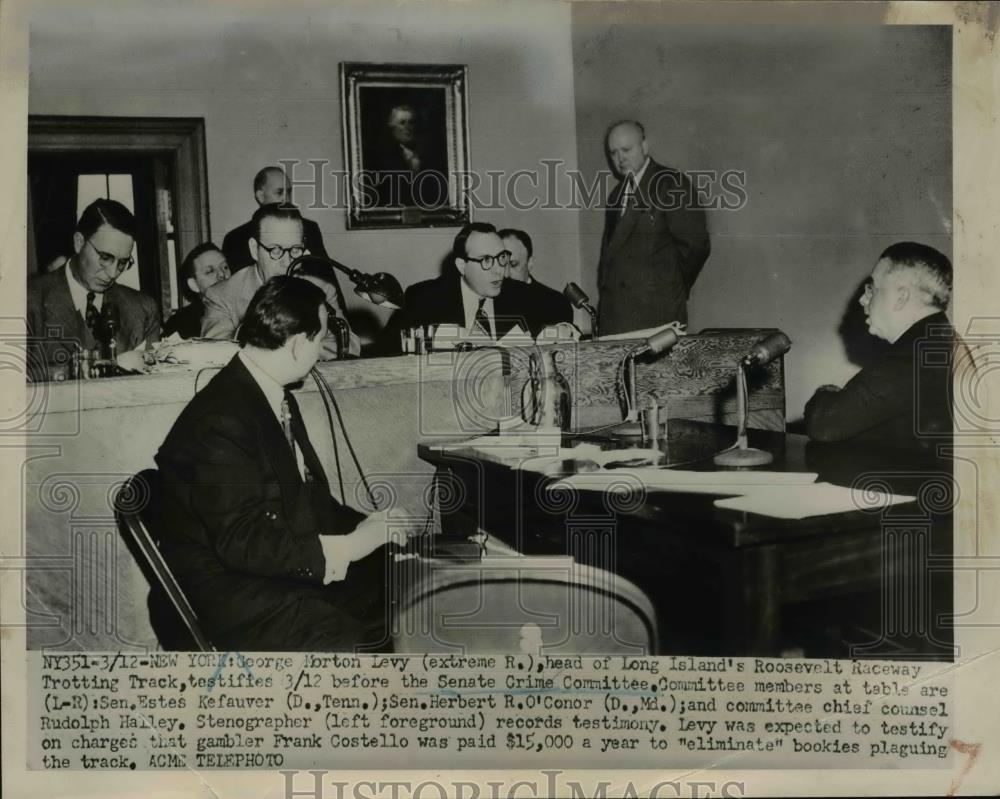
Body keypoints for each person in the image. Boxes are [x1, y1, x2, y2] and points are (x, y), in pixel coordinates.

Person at [156, 276, 406, 650]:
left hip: (262, 575)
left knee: (405, 593)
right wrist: (353, 546)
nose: (321, 352)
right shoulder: (220, 419)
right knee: (346, 636)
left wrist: (373, 529)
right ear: (295, 345)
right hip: (228, 597)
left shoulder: (269, 394)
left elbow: (310, 506)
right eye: (320, 341)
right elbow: (244, 540)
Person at [804, 242, 955, 451]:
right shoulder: (941, 342)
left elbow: (824, 424)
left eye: (872, 289)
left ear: (901, 297)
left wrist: (826, 391)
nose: (863, 299)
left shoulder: (910, 358)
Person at [597, 120, 711, 335]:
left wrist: (669, 286)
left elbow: (696, 247)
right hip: (616, 322)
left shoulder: (671, 184)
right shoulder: (616, 196)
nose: (620, 158)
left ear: (645, 147)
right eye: (613, 153)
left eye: (626, 150)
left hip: (656, 319)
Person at [27, 198, 160, 380]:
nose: (113, 273)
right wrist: (100, 367)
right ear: (79, 242)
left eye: (122, 263)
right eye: (105, 257)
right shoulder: (28, 301)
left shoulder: (144, 310)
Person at [202, 203, 360, 356]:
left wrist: (289, 355)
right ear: (254, 250)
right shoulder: (221, 296)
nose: (287, 261)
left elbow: (349, 345)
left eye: (295, 249)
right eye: (276, 250)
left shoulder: (321, 289)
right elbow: (216, 354)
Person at [385, 222, 564, 347]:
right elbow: (386, 347)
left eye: (502, 258)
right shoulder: (425, 297)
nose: (499, 270)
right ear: (462, 266)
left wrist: (564, 330)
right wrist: (429, 338)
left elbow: (559, 307)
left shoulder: (520, 294)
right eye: (486, 260)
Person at [222, 166, 333, 275]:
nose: (286, 199)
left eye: (288, 192)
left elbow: (326, 277)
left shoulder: (309, 228)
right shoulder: (235, 239)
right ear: (260, 196)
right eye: (279, 192)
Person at [370, 104, 448, 208]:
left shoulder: (430, 157)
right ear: (392, 128)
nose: (408, 128)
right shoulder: (383, 160)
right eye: (402, 123)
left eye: (411, 122)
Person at [499, 228, 573, 325]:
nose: (506, 274)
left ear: (530, 263)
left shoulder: (556, 303)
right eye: (501, 264)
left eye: (513, 265)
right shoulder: (486, 303)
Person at [162, 243, 230, 339]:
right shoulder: (180, 323)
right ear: (194, 285)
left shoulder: (249, 309)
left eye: (225, 267)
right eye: (210, 271)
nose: (222, 274)